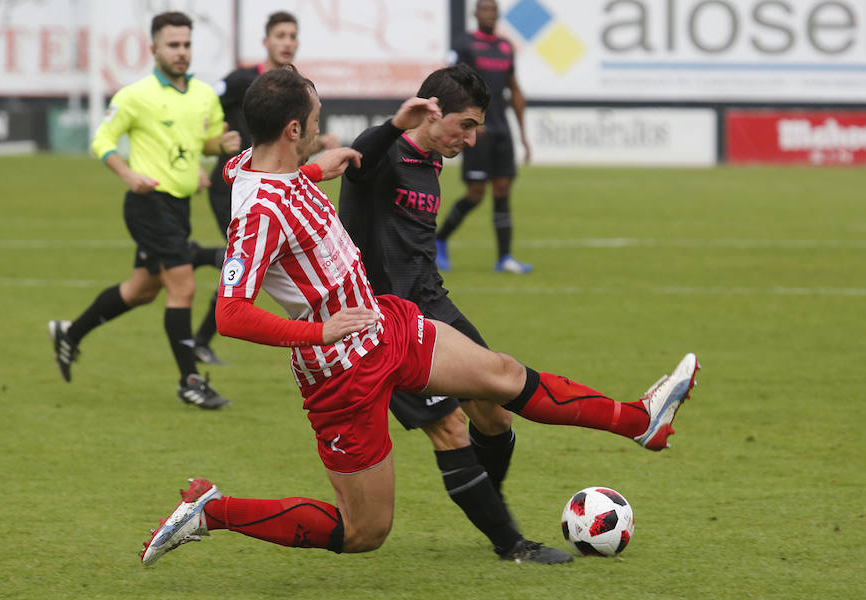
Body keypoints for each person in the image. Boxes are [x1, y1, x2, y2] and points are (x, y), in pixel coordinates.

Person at [139, 67, 699, 566]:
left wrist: (313, 170)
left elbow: (269, 178)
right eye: (314, 120)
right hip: (341, 373)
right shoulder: (258, 213)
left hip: (385, 324)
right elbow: (232, 314)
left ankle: (639, 421)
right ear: (291, 130)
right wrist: (319, 330)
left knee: (503, 375)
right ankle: (212, 511)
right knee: (364, 531)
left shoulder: (258, 168)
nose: (319, 128)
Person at [338, 64, 564, 562]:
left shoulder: (432, 162)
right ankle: (511, 544)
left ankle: (487, 502)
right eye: (466, 125)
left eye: (476, 126)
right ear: (431, 113)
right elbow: (360, 160)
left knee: (496, 412)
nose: (472, 138)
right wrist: (394, 124)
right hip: (384, 322)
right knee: (450, 428)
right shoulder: (383, 153)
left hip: (434, 306)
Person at [48, 11, 241, 409]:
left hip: (178, 206)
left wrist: (217, 148)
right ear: (153, 48)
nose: (181, 52)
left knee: (141, 291)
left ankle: (70, 333)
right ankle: (190, 381)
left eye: (186, 44)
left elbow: (203, 142)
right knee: (183, 287)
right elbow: (102, 140)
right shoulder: (135, 96)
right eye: (173, 45)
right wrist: (127, 173)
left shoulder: (204, 95)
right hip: (147, 204)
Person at [191, 10, 340, 365]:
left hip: (272, 187)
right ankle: (200, 337)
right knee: (242, 266)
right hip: (236, 188)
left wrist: (317, 147)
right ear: (266, 41)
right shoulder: (243, 80)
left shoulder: (295, 91)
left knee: (242, 264)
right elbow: (200, 106)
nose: (287, 42)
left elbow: (289, 149)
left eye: (292, 36)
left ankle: (197, 265)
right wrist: (206, 146)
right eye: (280, 35)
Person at [435, 0, 532, 274]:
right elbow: (450, 83)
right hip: (478, 130)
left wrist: (523, 134)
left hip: (501, 128)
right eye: (484, 9)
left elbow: (514, 89)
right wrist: (465, 122)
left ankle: (505, 258)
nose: (489, 13)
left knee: (502, 190)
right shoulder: (464, 45)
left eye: (493, 9)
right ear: (475, 13)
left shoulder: (505, 47)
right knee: (476, 193)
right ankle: (440, 240)